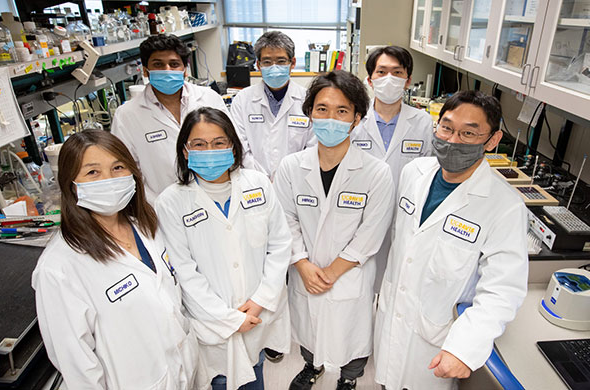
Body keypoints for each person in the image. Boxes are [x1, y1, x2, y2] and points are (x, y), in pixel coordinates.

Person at [374, 91, 528, 390]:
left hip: (438, 339)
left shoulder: (504, 205)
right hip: (392, 316)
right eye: (446, 128)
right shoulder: (413, 173)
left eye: (469, 133)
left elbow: (502, 290)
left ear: (492, 140)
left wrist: (465, 347)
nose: (453, 140)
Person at [32, 130, 206, 389]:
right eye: (93, 172)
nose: (108, 179)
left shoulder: (148, 228)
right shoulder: (59, 268)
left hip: (185, 371)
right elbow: (78, 367)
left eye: (118, 167)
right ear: (71, 184)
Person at [154, 107, 292, 390]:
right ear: (185, 151)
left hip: (257, 314)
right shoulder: (171, 201)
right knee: (220, 380)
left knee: (255, 373)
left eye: (219, 142)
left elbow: (279, 244)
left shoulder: (257, 184)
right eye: (199, 145)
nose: (210, 150)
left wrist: (261, 299)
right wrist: (228, 319)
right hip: (212, 324)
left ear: (233, 145)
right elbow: (183, 270)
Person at [274, 70, 395, 390]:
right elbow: (285, 221)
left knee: (352, 334)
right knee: (309, 328)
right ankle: (311, 367)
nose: (331, 118)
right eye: (322, 109)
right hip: (305, 269)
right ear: (310, 113)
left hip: (350, 273)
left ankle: (349, 378)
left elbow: (373, 231)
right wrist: (303, 264)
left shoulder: (376, 172)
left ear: (357, 119)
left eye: (342, 111)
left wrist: (331, 272)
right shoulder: (291, 167)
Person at [351, 45, 434, 292]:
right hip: (359, 215)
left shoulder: (422, 122)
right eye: (382, 71)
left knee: (395, 283)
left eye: (397, 73)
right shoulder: (354, 120)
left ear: (407, 81)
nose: (389, 79)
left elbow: (427, 173)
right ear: (370, 79)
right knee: (360, 283)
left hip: (404, 215)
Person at [112, 34, 229, 203]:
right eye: (158, 64)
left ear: (184, 69)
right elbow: (126, 171)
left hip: (215, 199)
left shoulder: (209, 98)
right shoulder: (127, 115)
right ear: (146, 71)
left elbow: (231, 144)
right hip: (160, 208)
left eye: (174, 64)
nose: (167, 70)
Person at [230, 31, 316, 179]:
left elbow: (312, 146)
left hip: (296, 180)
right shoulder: (242, 100)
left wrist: (286, 179)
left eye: (281, 61)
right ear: (258, 64)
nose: (274, 67)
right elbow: (240, 146)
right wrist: (261, 179)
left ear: (292, 63)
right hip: (254, 181)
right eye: (267, 62)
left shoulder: (308, 99)